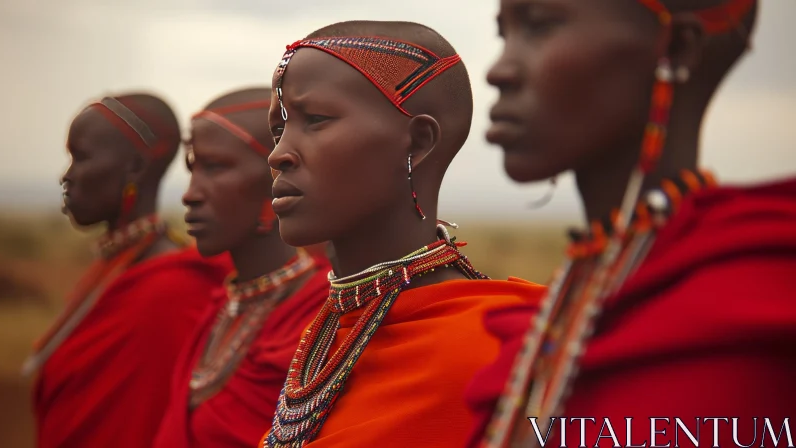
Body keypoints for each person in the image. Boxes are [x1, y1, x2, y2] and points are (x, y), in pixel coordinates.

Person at [467, 1, 796, 447]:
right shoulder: (558, 321)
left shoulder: (760, 313)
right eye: (505, 35)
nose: (498, 70)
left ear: (677, 48)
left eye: (540, 27)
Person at [259, 20, 547, 448]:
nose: (279, 154)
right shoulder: (323, 341)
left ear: (417, 142)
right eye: (279, 130)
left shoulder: (490, 351)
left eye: (316, 119)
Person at [25, 93, 232, 448]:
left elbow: (142, 425)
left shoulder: (168, 292)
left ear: (135, 167)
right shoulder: (116, 269)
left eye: (82, 157)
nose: (67, 176)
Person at [153, 87, 331, 448]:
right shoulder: (220, 308)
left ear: (278, 177)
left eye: (216, 167)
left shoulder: (320, 320)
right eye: (193, 168)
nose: (191, 194)